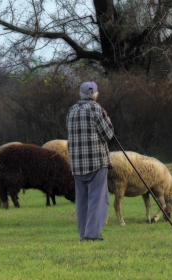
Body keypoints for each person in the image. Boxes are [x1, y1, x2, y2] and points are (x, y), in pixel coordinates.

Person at [66, 81, 114, 241]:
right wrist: (107, 119)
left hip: (77, 165)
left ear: (80, 95)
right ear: (96, 95)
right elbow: (107, 135)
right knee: (97, 198)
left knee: (82, 200)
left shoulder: (71, 111)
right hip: (96, 162)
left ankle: (83, 233)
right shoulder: (96, 108)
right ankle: (92, 234)